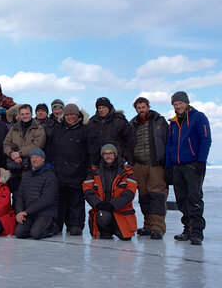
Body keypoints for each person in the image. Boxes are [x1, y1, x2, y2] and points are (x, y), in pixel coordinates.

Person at [45, 103, 99, 235]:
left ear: (77, 115)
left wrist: (90, 168)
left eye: (72, 114)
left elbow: (93, 150)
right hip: (59, 171)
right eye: (67, 114)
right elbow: (50, 149)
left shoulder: (86, 129)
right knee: (60, 201)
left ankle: (75, 224)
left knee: (76, 201)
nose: (70, 117)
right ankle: (57, 224)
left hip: (78, 171)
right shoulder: (58, 129)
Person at [166, 91, 211, 245]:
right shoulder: (173, 122)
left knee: (194, 197)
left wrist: (201, 161)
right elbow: (170, 145)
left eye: (180, 103)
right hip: (177, 166)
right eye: (175, 104)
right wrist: (168, 166)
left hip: (193, 164)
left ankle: (197, 232)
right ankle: (188, 229)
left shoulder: (198, 117)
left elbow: (206, 139)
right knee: (181, 199)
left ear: (186, 103)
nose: (178, 106)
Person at [128, 97, 169, 239]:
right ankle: (148, 225)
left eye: (143, 107)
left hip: (156, 164)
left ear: (148, 107)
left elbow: (167, 141)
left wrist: (167, 163)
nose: (141, 110)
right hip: (138, 165)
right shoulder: (132, 124)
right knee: (144, 196)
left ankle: (157, 227)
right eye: (139, 108)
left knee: (157, 195)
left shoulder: (160, 121)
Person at [83, 144, 137, 240]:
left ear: (115, 155)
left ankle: (117, 229)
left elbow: (129, 193)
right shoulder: (94, 172)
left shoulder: (127, 172)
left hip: (120, 211)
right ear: (102, 156)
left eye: (110, 153)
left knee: (125, 237)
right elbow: (87, 190)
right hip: (102, 209)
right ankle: (105, 231)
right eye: (105, 153)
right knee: (103, 217)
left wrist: (113, 204)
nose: (108, 156)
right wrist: (98, 204)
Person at [14, 148, 59, 239]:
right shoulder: (26, 175)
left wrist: (26, 212)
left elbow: (46, 200)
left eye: (37, 157)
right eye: (32, 157)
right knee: (19, 233)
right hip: (29, 213)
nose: (34, 160)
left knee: (36, 234)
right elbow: (19, 196)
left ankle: (53, 227)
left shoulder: (50, 176)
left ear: (43, 159)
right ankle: (34, 226)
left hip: (45, 212)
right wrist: (19, 213)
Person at [3, 104, 46, 194]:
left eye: (27, 113)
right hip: (15, 169)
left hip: (31, 169)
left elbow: (37, 145)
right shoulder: (14, 128)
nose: (25, 116)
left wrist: (19, 153)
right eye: (22, 114)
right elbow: (6, 143)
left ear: (31, 114)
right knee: (16, 196)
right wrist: (12, 154)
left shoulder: (38, 128)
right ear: (19, 115)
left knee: (30, 196)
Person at [88, 97, 131, 163]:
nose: (101, 110)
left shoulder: (119, 120)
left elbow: (128, 140)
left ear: (109, 108)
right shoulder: (92, 122)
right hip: (98, 161)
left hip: (117, 160)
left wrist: (125, 156)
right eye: (99, 108)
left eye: (103, 107)